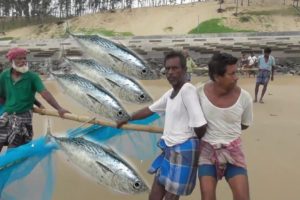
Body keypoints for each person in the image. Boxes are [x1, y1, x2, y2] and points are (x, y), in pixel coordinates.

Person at [117, 51, 207, 200]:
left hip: (183, 151)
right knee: (155, 195)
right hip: (168, 148)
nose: (170, 72)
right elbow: (150, 109)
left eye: (175, 68)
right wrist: (127, 118)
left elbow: (200, 126)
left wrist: (191, 142)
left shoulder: (187, 90)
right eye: (168, 69)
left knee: (171, 197)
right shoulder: (171, 93)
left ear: (184, 70)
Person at [197, 53, 253, 200]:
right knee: (207, 197)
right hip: (207, 152)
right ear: (217, 77)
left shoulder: (245, 97)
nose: (236, 77)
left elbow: (244, 124)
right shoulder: (198, 94)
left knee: (243, 197)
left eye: (236, 72)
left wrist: (227, 133)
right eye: (232, 73)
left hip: (233, 151)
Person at [0, 47, 70, 152]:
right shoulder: (4, 75)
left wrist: (59, 108)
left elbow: (44, 93)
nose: (23, 61)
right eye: (19, 59)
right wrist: (8, 106)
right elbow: (2, 95)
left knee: (14, 149)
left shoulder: (32, 77)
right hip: (7, 114)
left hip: (23, 117)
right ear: (12, 61)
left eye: (24, 58)